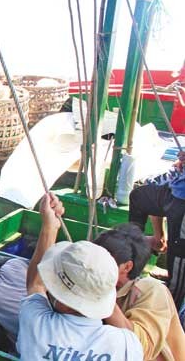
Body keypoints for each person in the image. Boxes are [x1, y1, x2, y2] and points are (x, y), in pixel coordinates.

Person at [17, 193, 143, 360]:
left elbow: (35, 284)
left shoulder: (37, 323)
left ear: (63, 300)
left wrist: (50, 226)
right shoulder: (127, 344)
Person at [94, 224, 185, 360]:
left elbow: (140, 349)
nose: (94, 265)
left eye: (104, 261)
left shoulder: (152, 290)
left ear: (127, 266)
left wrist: (101, 291)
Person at [129, 150, 185, 312]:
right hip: (176, 189)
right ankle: (132, 264)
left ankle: (170, 312)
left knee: (179, 255)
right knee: (139, 197)